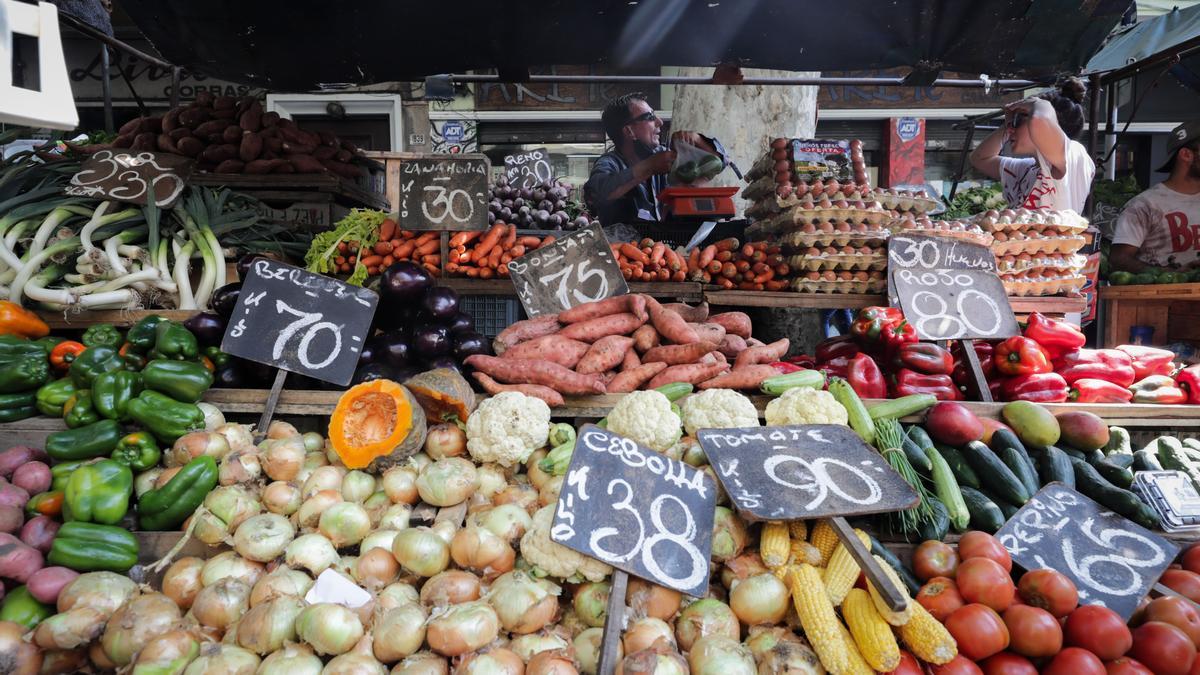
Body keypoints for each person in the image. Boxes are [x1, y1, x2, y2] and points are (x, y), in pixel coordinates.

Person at [584, 92, 726, 225]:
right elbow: (596, 194)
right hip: (621, 248)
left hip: (661, 247)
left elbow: (719, 163)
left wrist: (696, 140)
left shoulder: (662, 154)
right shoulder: (610, 162)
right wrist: (649, 167)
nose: (659, 122)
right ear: (629, 131)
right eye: (650, 117)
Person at [969, 79, 1095, 213]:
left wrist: (1039, 103)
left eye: (1019, 120)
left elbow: (1039, 121)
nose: (1010, 130)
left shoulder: (1074, 155)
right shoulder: (1029, 168)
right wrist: (1009, 124)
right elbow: (979, 158)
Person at [1111, 120, 1200, 272]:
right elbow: (1119, 259)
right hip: (1163, 295)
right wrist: (1170, 274)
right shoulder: (1144, 205)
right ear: (1186, 155)